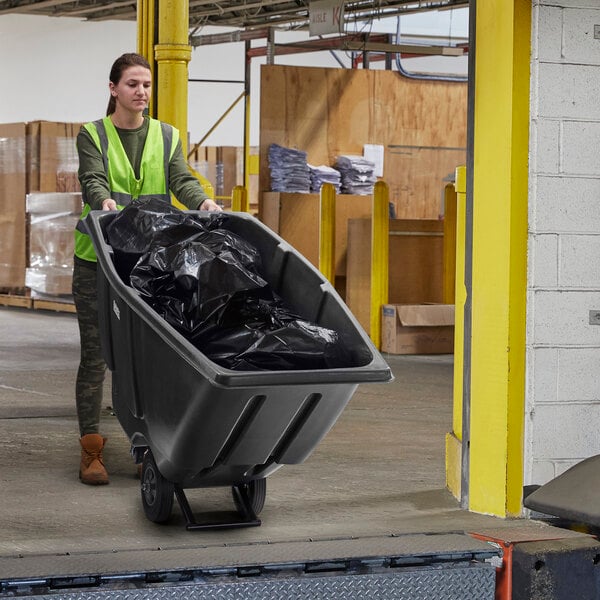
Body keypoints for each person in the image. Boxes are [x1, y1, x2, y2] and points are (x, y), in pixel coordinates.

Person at [73, 52, 220, 485]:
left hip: (146, 265)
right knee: (96, 356)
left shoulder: (166, 135)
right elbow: (92, 177)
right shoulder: (92, 134)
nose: (142, 92)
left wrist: (203, 201)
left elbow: (182, 179)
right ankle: (91, 450)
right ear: (113, 89)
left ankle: (146, 445)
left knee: (146, 359)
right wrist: (104, 202)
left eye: (147, 85)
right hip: (96, 261)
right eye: (133, 84)